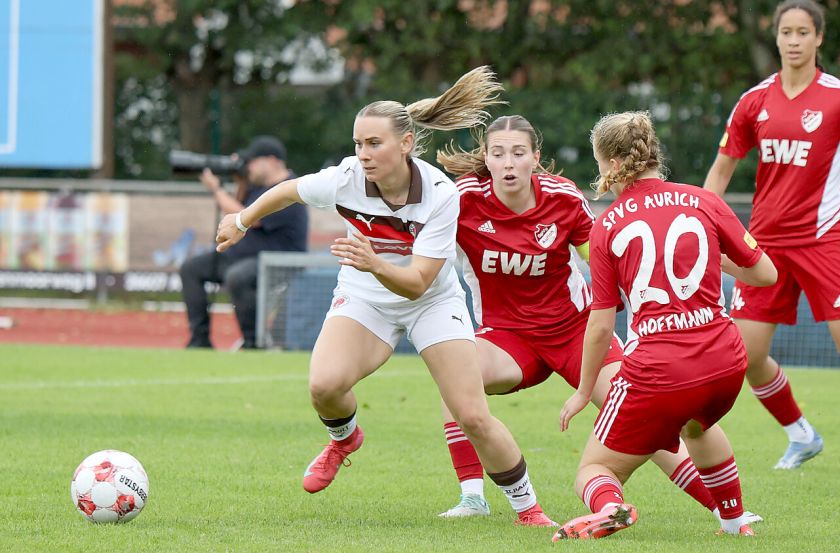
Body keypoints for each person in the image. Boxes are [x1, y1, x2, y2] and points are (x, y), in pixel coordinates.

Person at [214, 67, 556, 526]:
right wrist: (241, 222)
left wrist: (374, 260)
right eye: (358, 144)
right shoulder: (345, 178)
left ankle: (528, 510)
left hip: (431, 302)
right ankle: (344, 441)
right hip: (366, 297)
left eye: (374, 144)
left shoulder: (439, 193)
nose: (363, 154)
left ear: (406, 144)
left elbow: (417, 282)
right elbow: (287, 190)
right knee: (324, 386)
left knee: (471, 413)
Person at [434, 114, 761, 527]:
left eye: (518, 153)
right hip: (507, 337)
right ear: (486, 158)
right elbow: (420, 245)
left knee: (650, 417)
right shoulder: (461, 199)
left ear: (535, 158)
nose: (508, 162)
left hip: (576, 331)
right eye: (498, 154)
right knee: (456, 378)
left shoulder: (564, 198)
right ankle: (476, 497)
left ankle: (723, 510)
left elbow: (613, 258)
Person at [703, 0, 840, 475]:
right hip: (763, 249)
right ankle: (801, 435)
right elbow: (720, 172)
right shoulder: (753, 101)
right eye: (787, 32)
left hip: (825, 242)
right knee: (746, 356)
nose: (795, 40)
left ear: (819, 38)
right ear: (777, 38)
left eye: (804, 32)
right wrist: (701, 231)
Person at [553, 111, 778, 540]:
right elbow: (766, 274)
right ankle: (734, 524)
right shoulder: (703, 200)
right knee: (697, 426)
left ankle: (612, 507)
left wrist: (584, 391)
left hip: (659, 369)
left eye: (600, 162)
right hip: (725, 360)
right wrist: (716, 259)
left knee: (594, 468)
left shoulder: (607, 226)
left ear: (614, 165)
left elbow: (601, 326)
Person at [180, 135, 308, 350]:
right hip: (244, 257)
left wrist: (216, 189)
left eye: (253, 162)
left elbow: (248, 218)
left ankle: (253, 342)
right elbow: (238, 207)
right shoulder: (257, 187)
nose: (249, 166)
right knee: (191, 269)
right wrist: (240, 181)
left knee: (237, 277)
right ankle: (199, 340)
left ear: (271, 160)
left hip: (278, 263)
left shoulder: (288, 189)